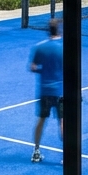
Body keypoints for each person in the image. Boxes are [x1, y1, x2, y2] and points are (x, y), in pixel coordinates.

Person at [28, 18, 65, 163]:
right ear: (59, 30)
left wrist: (44, 71)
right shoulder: (64, 47)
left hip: (44, 91)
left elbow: (33, 67)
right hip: (61, 91)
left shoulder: (39, 47)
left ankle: (36, 152)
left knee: (41, 120)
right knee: (62, 121)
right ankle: (66, 155)